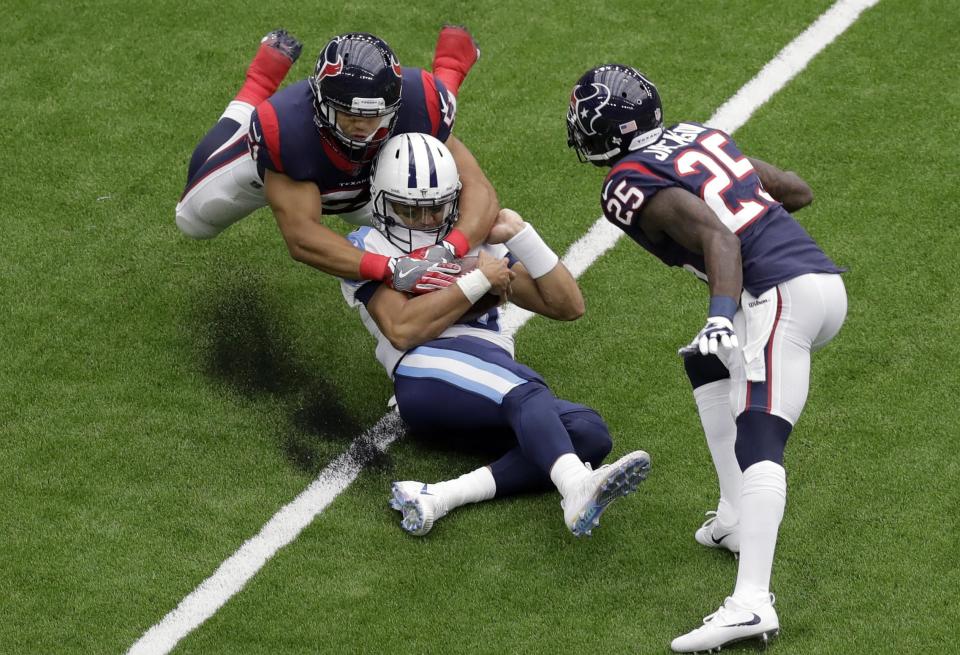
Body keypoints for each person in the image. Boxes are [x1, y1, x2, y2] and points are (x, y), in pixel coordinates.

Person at [566, 64, 847, 651]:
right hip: (816, 285)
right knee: (707, 362)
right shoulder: (700, 135)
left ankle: (751, 604)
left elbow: (720, 237)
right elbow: (794, 190)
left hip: (780, 296)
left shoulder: (627, 180)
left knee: (761, 437)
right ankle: (733, 515)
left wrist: (724, 311)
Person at [340, 132, 651, 537]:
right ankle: (575, 488)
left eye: (437, 208)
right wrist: (475, 282)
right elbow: (402, 329)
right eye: (411, 210)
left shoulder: (473, 238)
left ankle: (441, 496)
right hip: (423, 372)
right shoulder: (367, 246)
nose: (429, 220)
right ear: (382, 203)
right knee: (527, 392)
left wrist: (522, 235)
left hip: (488, 378)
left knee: (589, 434)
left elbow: (567, 305)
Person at [176, 26, 497, 293]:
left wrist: (449, 247)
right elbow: (302, 237)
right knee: (193, 221)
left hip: (373, 177)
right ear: (319, 103)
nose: (362, 128)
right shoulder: (289, 128)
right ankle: (257, 83)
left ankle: (451, 66)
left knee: (434, 209)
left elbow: (479, 189)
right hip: (285, 174)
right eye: (348, 115)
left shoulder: (420, 104)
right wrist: (390, 268)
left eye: (374, 117)